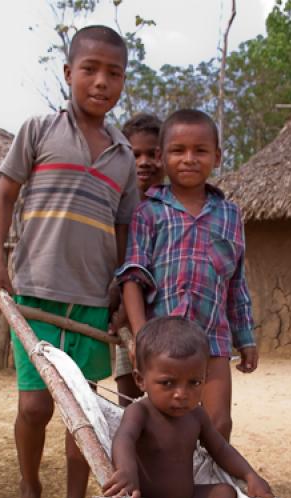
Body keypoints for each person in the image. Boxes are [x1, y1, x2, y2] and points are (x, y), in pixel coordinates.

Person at [0, 25, 139, 498]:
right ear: (68, 73)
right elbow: (3, 195)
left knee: (83, 413)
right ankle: (30, 489)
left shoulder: (123, 158)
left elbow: (123, 231)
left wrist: (118, 291)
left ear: (122, 82)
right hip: (34, 292)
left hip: (91, 302)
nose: (101, 82)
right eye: (89, 69)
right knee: (35, 407)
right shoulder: (39, 131)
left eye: (113, 73)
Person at [116, 108, 257, 441]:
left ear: (218, 156)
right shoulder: (148, 212)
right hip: (162, 341)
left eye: (201, 150)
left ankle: (205, 487)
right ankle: (168, 488)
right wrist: (140, 335)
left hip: (213, 339)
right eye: (178, 151)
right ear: (163, 158)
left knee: (218, 424)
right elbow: (132, 276)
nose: (189, 159)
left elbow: (236, 283)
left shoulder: (230, 215)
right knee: (161, 426)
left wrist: (246, 338)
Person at [103, 317, 273, 498]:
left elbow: (221, 449)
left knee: (225, 494)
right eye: (168, 383)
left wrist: (250, 475)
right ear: (140, 380)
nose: (182, 394)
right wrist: (126, 471)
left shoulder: (197, 416)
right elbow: (123, 439)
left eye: (194, 383)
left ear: (205, 378)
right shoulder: (140, 412)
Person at [114, 113, 164, 407]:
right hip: (127, 316)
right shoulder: (118, 207)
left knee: (171, 395)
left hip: (168, 317)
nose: (144, 162)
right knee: (129, 398)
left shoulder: (175, 209)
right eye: (136, 154)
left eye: (152, 154)